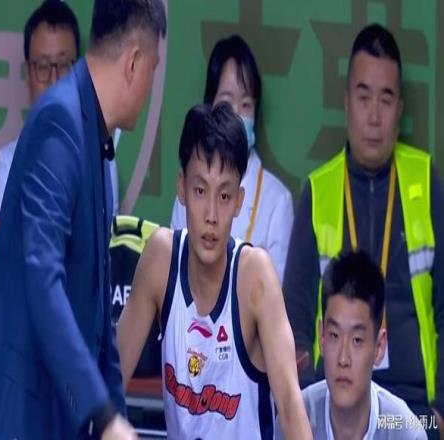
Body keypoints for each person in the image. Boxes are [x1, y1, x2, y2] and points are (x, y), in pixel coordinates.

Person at [0, 0, 166, 438]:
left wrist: (114, 416)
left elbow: (98, 321)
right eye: (153, 67)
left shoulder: (93, 135)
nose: (150, 84)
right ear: (133, 62)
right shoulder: (60, 122)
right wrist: (103, 416)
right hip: (17, 420)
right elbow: (42, 278)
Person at [283, 23, 444, 439]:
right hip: (334, 403)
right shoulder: (319, 191)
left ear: (400, 108)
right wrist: (308, 409)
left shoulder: (426, 182)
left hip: (415, 407)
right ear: (346, 102)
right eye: (363, 96)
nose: (374, 115)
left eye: (385, 99)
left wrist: (441, 410)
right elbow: (295, 318)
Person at [118, 102, 312, 439]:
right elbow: (110, 378)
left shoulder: (255, 276)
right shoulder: (160, 259)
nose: (211, 215)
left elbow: (291, 407)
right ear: (181, 188)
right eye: (199, 191)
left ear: (239, 201)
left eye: (223, 196)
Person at [170, 35, 293, 281]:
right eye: (227, 103)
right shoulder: (190, 186)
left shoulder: (278, 201)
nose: (236, 115)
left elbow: (276, 293)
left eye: (246, 105)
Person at [0, 0, 120, 219]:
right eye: (42, 66)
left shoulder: (100, 162)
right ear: (28, 74)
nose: (54, 81)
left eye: (63, 65)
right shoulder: (8, 164)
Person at [279, 251, 427, 439]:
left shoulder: (405, 432)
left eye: (357, 340)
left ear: (379, 347)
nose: (343, 359)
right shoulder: (294, 420)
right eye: (334, 336)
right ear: (321, 337)